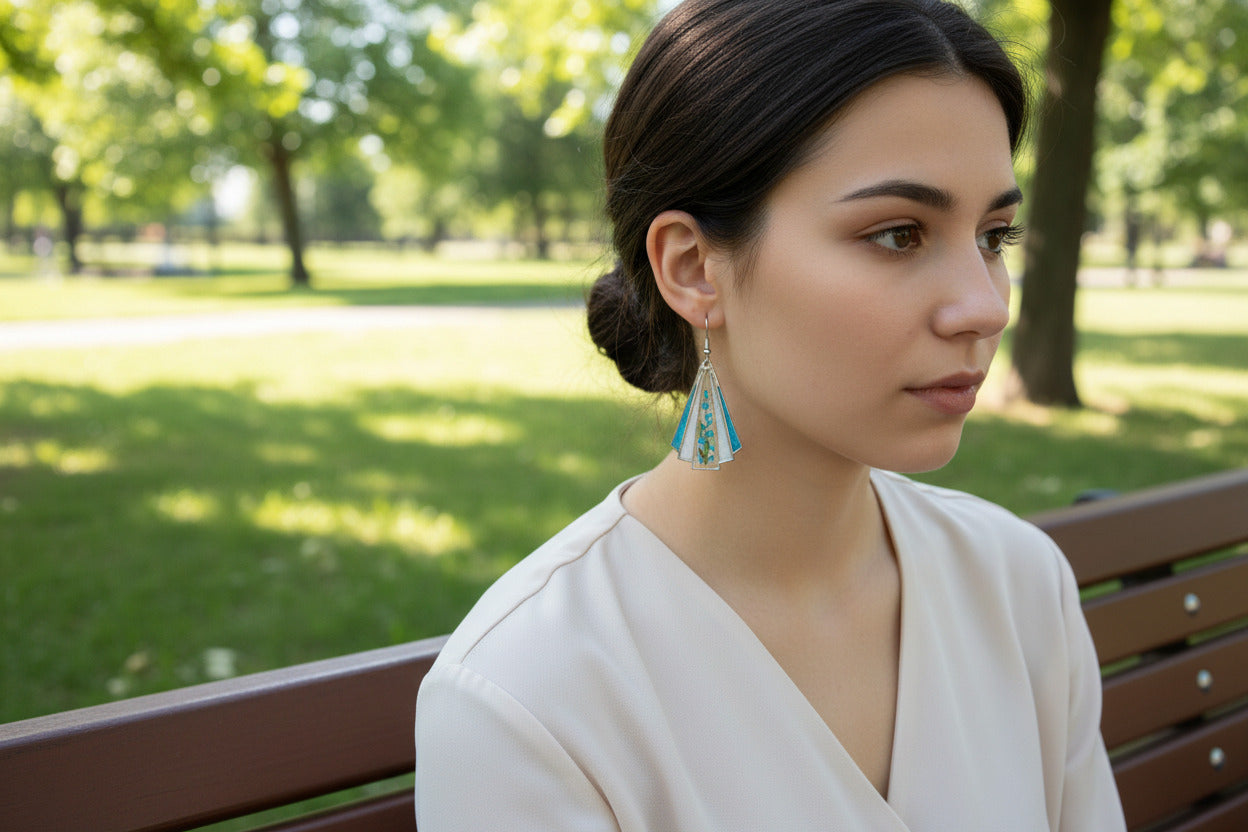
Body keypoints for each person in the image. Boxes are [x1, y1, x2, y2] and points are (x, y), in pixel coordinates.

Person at [415, 0, 1127, 829]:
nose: (984, 306)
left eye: (994, 236)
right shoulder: (531, 694)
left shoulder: (1016, 584)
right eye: (899, 234)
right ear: (693, 269)